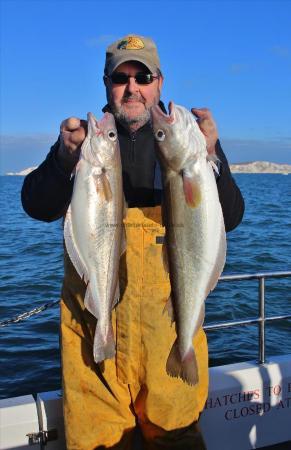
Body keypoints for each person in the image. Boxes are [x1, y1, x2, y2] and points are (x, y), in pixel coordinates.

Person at [21, 34, 245, 450]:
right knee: (95, 442)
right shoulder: (87, 142)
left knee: (176, 436)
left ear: (159, 82)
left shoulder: (185, 139)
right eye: (120, 78)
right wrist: (61, 160)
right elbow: (36, 206)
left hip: (169, 332)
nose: (132, 87)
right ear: (106, 84)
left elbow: (228, 219)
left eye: (142, 76)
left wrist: (212, 153)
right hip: (93, 339)